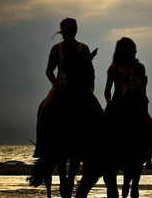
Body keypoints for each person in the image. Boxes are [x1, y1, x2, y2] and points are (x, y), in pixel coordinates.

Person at [34, 17, 102, 158]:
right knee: (45, 109)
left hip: (80, 88)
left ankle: (98, 149)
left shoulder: (83, 48)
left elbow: (89, 69)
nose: (71, 31)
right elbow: (49, 70)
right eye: (68, 28)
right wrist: (55, 82)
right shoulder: (56, 49)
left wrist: (89, 85)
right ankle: (41, 147)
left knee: (98, 111)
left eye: (73, 29)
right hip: (60, 87)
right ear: (62, 31)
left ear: (76, 30)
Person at [104, 37, 152, 170]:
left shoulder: (139, 68)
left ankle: (149, 159)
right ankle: (97, 157)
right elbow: (107, 91)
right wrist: (109, 102)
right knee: (101, 126)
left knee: (151, 125)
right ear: (119, 52)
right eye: (124, 50)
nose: (126, 52)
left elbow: (142, 89)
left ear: (133, 51)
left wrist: (141, 103)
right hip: (117, 104)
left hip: (136, 104)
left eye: (129, 50)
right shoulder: (113, 68)